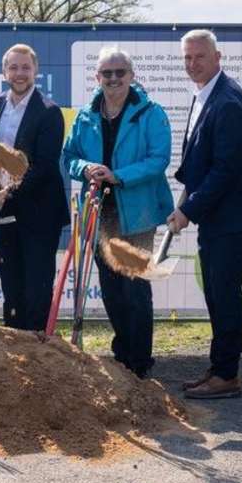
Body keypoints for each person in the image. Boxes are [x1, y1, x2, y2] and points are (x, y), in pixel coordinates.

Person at [62, 47, 173, 378]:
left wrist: (118, 176)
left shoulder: (151, 113)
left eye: (119, 73)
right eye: (106, 73)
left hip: (136, 213)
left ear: (131, 75)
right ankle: (122, 352)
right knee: (111, 287)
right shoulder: (85, 115)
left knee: (135, 287)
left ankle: (139, 361)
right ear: (97, 77)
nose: (113, 79)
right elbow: (68, 157)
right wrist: (86, 169)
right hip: (99, 213)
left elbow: (159, 159)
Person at [168, 30, 242, 400]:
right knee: (217, 294)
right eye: (187, 58)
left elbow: (225, 169)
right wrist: (185, 196)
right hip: (216, 215)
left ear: (217, 56)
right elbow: (200, 157)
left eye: (200, 57)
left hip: (227, 217)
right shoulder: (205, 93)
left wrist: (188, 210)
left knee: (224, 295)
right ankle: (220, 367)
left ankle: (226, 374)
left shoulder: (227, 101)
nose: (192, 64)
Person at [0, 43, 68, 331]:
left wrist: (8, 191)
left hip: (39, 211)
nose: (19, 73)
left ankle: (38, 348)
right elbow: (0, 153)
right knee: (10, 280)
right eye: (13, 67)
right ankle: (13, 342)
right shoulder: (0, 102)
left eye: (25, 67)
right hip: (7, 209)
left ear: (36, 70)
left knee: (36, 284)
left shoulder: (49, 112)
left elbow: (45, 167)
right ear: (4, 72)